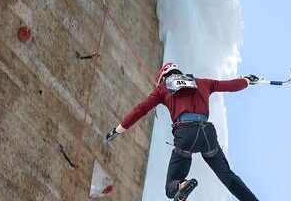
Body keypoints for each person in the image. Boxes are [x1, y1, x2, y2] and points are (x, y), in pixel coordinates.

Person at [104, 61, 261, 200]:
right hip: (208, 135)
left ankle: (181, 185)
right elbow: (230, 85)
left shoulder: (163, 88)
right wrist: (247, 80)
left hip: (186, 135)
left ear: (163, 78)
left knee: (171, 188)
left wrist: (117, 131)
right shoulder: (202, 82)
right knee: (227, 175)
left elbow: (140, 109)